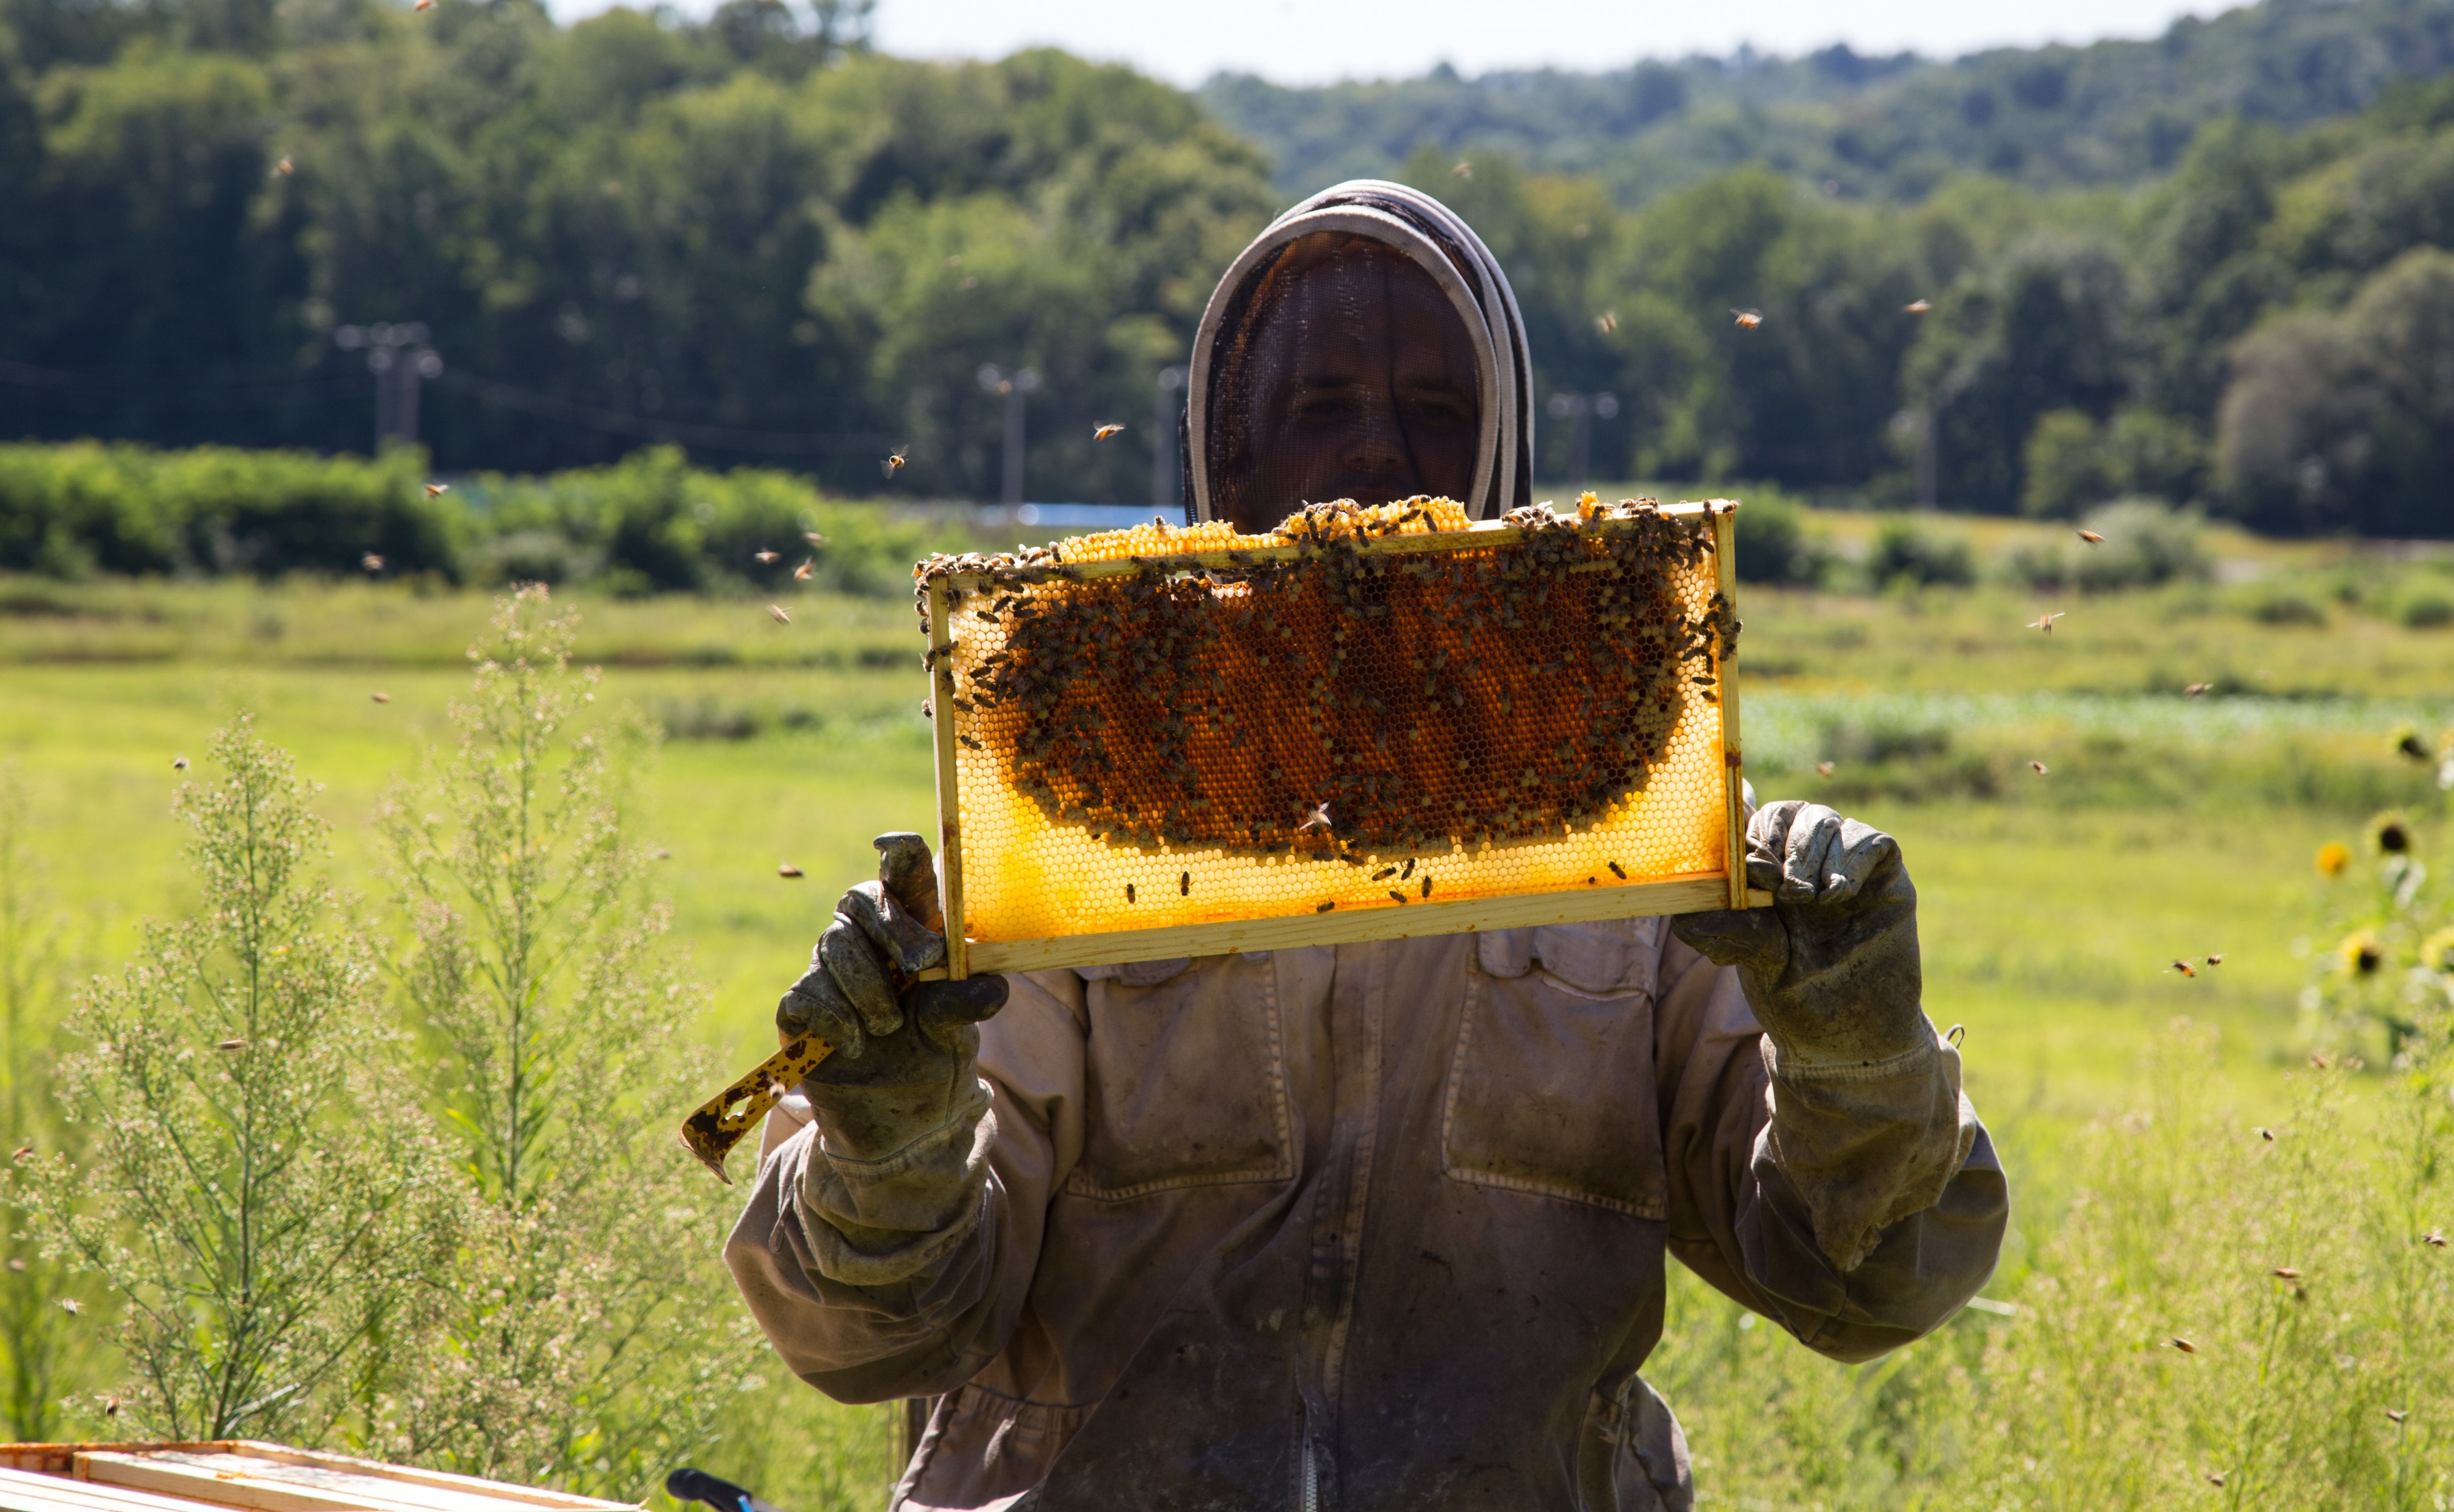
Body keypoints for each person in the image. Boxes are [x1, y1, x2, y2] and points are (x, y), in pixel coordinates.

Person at [725, 182, 2007, 1510]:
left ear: (1501, 452)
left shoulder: (1644, 840)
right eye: (1318, 406)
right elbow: (867, 1336)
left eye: (1435, 413)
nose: (1377, 459)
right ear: (1232, 453)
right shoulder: (1066, 812)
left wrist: (1856, 1059)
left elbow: (1872, 1283)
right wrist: (890, 1144)